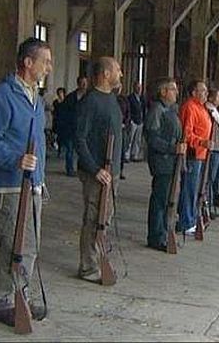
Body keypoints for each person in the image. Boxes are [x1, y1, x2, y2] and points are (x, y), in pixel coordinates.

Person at [0, 37, 52, 326]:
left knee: (30, 246)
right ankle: (4, 300)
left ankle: (22, 293)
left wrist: (41, 178)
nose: (48, 67)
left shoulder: (36, 97)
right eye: (44, 61)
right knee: (13, 245)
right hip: (9, 185)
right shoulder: (5, 95)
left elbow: (39, 142)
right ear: (27, 62)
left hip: (33, 184)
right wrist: (15, 159)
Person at [75, 57, 123, 283]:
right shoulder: (90, 101)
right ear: (105, 73)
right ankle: (88, 265)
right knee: (94, 217)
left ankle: (100, 254)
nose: (120, 74)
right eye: (117, 70)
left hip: (111, 171)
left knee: (106, 218)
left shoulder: (111, 99)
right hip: (96, 173)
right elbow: (80, 139)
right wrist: (94, 169)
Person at [143, 78, 186, 251]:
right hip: (162, 162)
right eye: (172, 89)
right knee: (159, 200)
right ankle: (156, 236)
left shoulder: (170, 110)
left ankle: (163, 232)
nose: (176, 93)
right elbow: (152, 139)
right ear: (163, 92)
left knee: (166, 199)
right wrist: (172, 148)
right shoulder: (156, 110)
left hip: (171, 161)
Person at [178, 80, 213, 235]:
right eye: (202, 91)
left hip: (201, 153)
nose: (206, 94)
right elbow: (187, 133)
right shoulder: (190, 107)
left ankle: (190, 217)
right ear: (194, 92)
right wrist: (201, 142)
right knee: (189, 188)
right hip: (193, 153)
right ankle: (187, 221)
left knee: (194, 187)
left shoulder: (201, 107)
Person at [58, 76, 88, 176]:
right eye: (82, 83)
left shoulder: (88, 98)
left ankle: (82, 169)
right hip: (70, 128)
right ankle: (69, 169)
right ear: (78, 84)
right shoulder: (70, 97)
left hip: (83, 129)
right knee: (69, 150)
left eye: (85, 83)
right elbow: (63, 112)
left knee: (82, 151)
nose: (84, 86)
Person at [205, 88, 219, 218]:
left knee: (215, 177)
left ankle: (211, 203)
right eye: (218, 97)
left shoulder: (217, 110)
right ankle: (207, 206)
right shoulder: (209, 110)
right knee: (210, 178)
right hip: (213, 148)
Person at [114, 82, 131, 180]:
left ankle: (120, 170)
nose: (118, 89)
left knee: (121, 150)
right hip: (112, 128)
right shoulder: (110, 98)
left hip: (122, 128)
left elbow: (128, 113)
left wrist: (125, 123)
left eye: (119, 87)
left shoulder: (124, 99)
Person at [126, 81, 145, 162]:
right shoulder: (130, 98)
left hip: (140, 121)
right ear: (134, 88)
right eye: (137, 87)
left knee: (137, 140)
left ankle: (135, 155)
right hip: (133, 121)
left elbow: (144, 109)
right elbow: (128, 109)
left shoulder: (142, 98)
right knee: (130, 139)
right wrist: (130, 120)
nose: (139, 89)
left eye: (140, 88)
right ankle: (127, 155)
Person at [51, 87, 66, 155]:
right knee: (56, 135)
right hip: (57, 120)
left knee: (62, 135)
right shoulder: (55, 102)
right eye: (59, 93)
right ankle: (58, 147)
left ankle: (61, 148)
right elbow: (53, 111)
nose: (60, 94)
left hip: (64, 120)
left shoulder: (66, 101)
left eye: (61, 92)